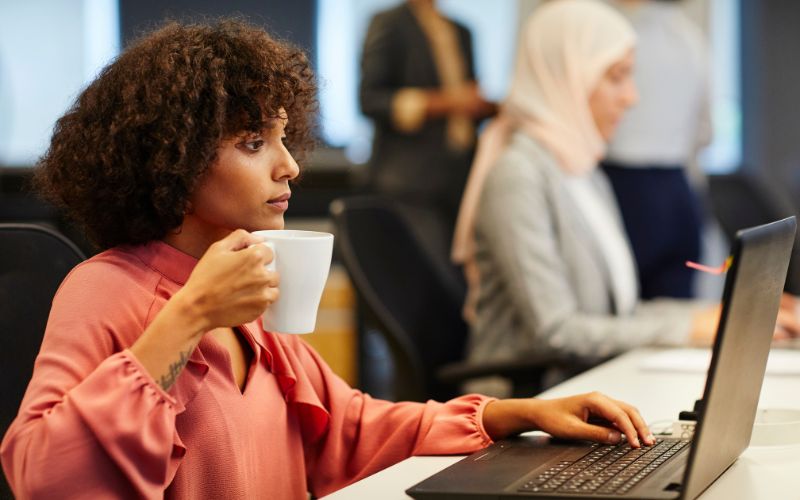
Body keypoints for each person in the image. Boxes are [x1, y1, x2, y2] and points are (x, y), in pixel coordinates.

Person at [1, 20, 654, 499]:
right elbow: (43, 479)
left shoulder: (250, 297)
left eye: (286, 139)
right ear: (171, 154)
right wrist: (192, 315)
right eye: (254, 142)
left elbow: (349, 428)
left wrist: (509, 414)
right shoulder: (106, 290)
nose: (289, 166)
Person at [451, 0, 799, 397]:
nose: (632, 97)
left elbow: (620, 314)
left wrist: (724, 315)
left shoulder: (583, 170)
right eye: (617, 77)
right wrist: (689, 327)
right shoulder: (518, 175)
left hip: (588, 388)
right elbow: (555, 333)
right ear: (569, 78)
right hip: (530, 403)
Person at [603, 0, 712, 299]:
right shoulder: (692, 38)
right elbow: (705, 131)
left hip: (622, 187)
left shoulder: (610, 35)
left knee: (624, 306)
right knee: (679, 314)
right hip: (678, 189)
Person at [359, 0, 496, 234]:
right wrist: (448, 101)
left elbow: (468, 101)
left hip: (460, 173)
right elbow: (371, 100)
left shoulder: (462, 31)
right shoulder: (390, 23)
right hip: (409, 178)